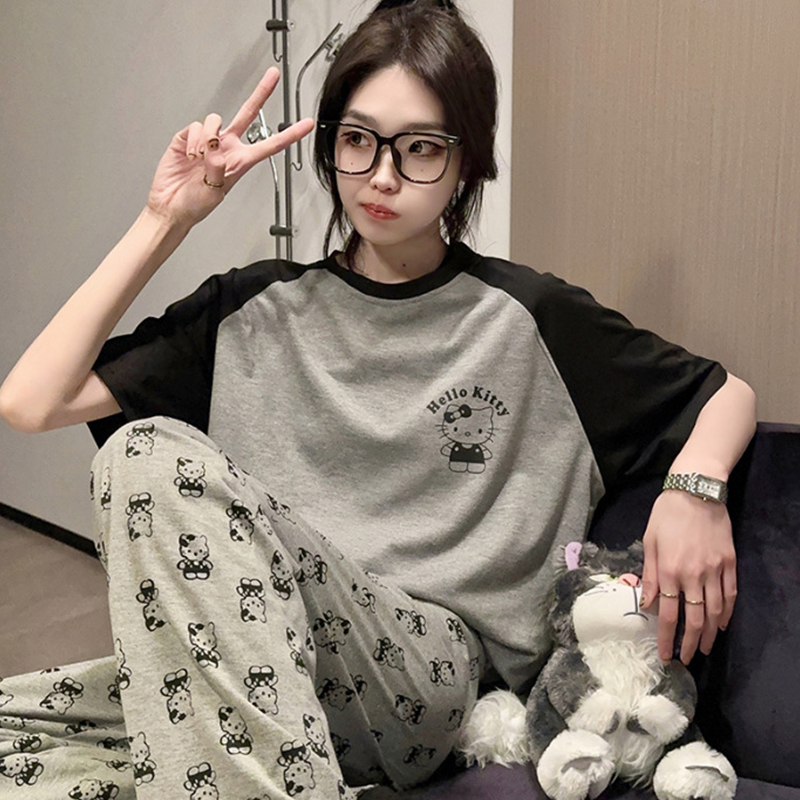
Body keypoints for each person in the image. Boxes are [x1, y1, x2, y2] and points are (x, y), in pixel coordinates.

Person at [0, 1, 756, 798]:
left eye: (420, 148)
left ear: (468, 163)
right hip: (263, 660)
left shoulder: (527, 318)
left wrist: (693, 490)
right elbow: (30, 400)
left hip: (428, 679)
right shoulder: (250, 310)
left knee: (145, 451)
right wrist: (166, 218)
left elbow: (724, 394)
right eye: (359, 140)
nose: (383, 176)